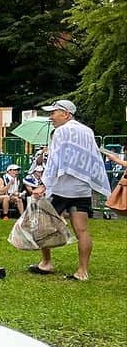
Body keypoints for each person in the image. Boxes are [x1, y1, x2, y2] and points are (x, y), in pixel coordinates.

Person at [27, 100, 110, 281]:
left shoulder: (61, 132)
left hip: (61, 188)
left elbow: (55, 161)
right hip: (81, 189)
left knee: (43, 224)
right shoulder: (88, 131)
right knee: (82, 230)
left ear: (66, 114)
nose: (51, 117)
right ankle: (82, 271)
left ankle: (46, 263)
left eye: (54, 113)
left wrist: (44, 184)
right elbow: (94, 158)